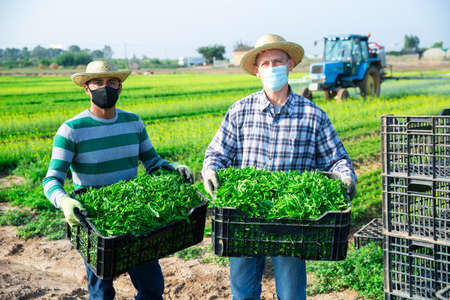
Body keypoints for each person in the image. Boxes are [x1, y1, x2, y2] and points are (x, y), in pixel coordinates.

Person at [202, 34, 357, 300]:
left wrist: (345, 176)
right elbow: (217, 153)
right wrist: (210, 169)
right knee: (243, 289)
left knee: (291, 292)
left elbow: (336, 158)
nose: (272, 68)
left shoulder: (313, 115)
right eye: (266, 63)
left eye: (278, 62)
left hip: (293, 220)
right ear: (256, 70)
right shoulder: (240, 111)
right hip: (245, 214)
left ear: (291, 65)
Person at [42, 60, 193, 300]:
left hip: (134, 216)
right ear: (87, 88)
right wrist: (64, 201)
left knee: (152, 287)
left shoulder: (133, 122)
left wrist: (174, 168)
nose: (106, 87)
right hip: (94, 221)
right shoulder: (71, 130)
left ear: (120, 87)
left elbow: (152, 163)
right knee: (101, 293)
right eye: (98, 82)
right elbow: (51, 179)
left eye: (112, 82)